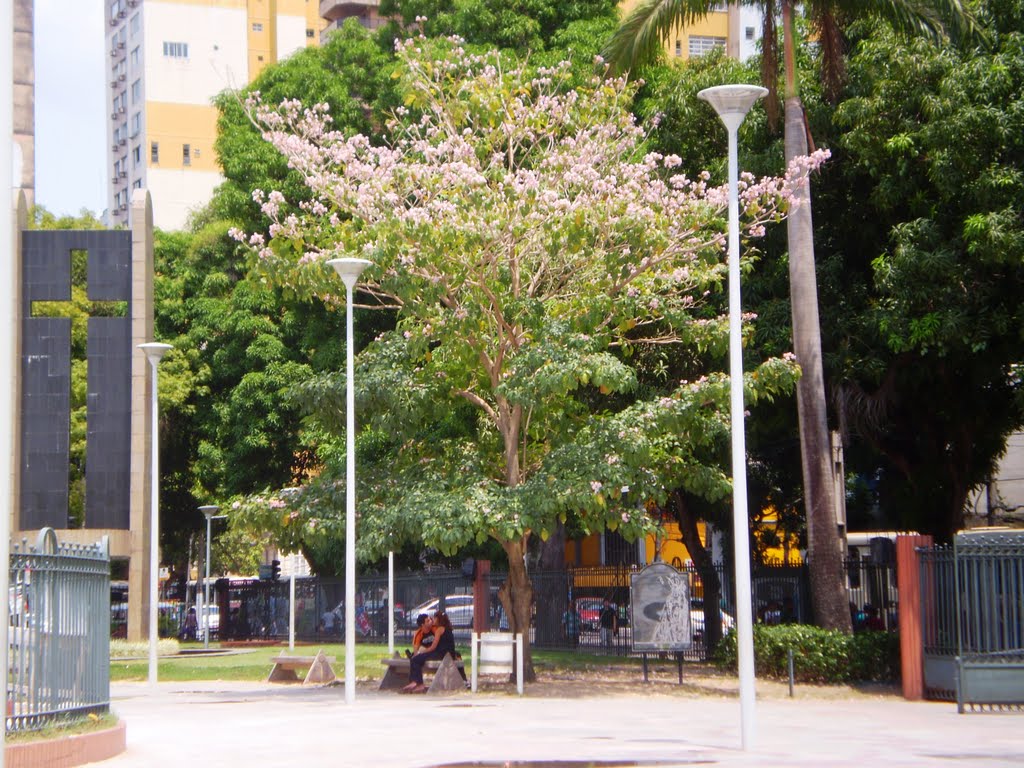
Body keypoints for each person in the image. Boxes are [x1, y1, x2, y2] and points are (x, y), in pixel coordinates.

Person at [402, 611, 457, 694]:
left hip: (440, 654)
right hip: (445, 653)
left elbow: (433, 647)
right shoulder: (445, 629)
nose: (432, 620)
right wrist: (420, 653)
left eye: (433, 618)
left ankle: (418, 683)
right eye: (428, 620)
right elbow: (417, 648)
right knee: (415, 659)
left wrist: (423, 652)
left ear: (438, 620)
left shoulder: (438, 629)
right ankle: (415, 682)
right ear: (422, 625)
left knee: (415, 660)